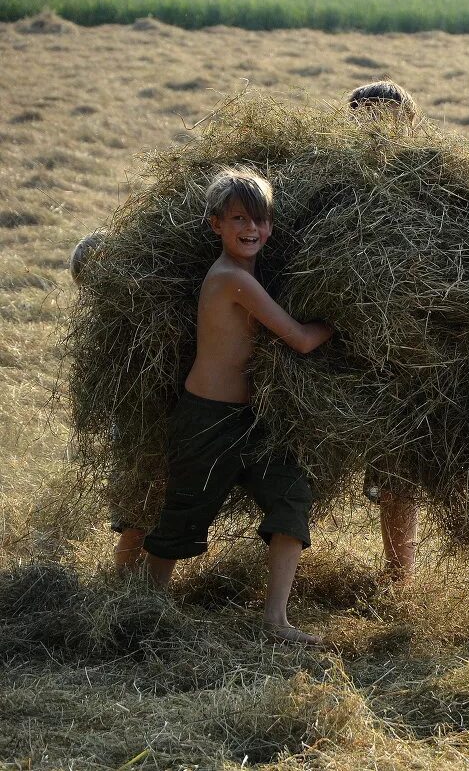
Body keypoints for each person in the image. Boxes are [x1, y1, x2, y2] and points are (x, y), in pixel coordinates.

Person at [141, 168, 333, 645]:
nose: (252, 229)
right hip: (206, 416)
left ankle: (276, 620)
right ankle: (146, 611)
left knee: (291, 499)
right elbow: (302, 340)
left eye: (261, 220)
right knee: (184, 514)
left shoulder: (252, 273)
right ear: (216, 225)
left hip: (254, 420)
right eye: (239, 219)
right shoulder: (231, 279)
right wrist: (346, 322)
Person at [348, 80, 424, 582]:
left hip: (409, 345)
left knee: (400, 467)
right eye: (367, 119)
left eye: (389, 120)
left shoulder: (427, 182)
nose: (379, 130)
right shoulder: (335, 183)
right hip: (344, 340)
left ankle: (400, 574)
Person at [69, 228, 155, 572]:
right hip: (136, 434)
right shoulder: (112, 325)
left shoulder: (129, 310)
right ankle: (124, 582)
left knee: (149, 516)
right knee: (139, 518)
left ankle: (138, 580)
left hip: (141, 427)